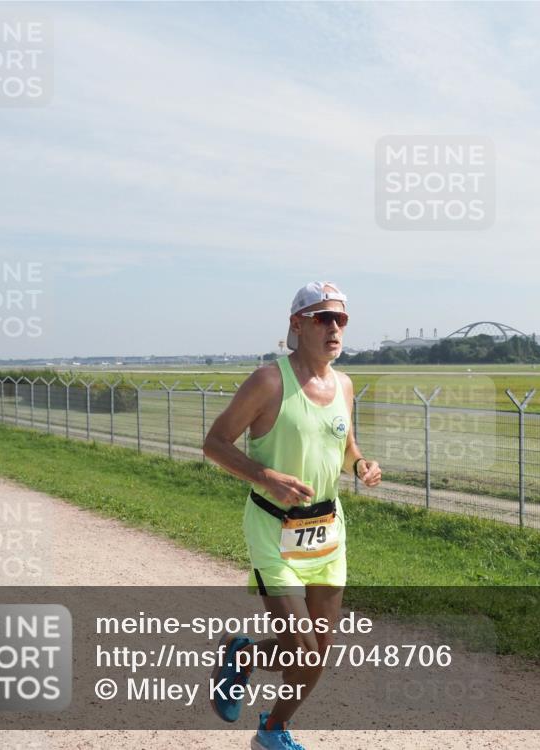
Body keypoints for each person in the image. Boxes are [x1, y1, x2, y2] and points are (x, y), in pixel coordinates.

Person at [202, 282, 381, 750]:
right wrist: (266, 477)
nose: (335, 327)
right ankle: (246, 666)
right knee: (301, 649)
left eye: (341, 319)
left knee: (318, 651)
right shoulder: (269, 381)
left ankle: (271, 726)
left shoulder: (344, 385)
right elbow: (214, 443)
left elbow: (346, 445)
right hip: (273, 528)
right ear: (297, 324)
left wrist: (360, 464)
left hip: (327, 532)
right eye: (324, 318)